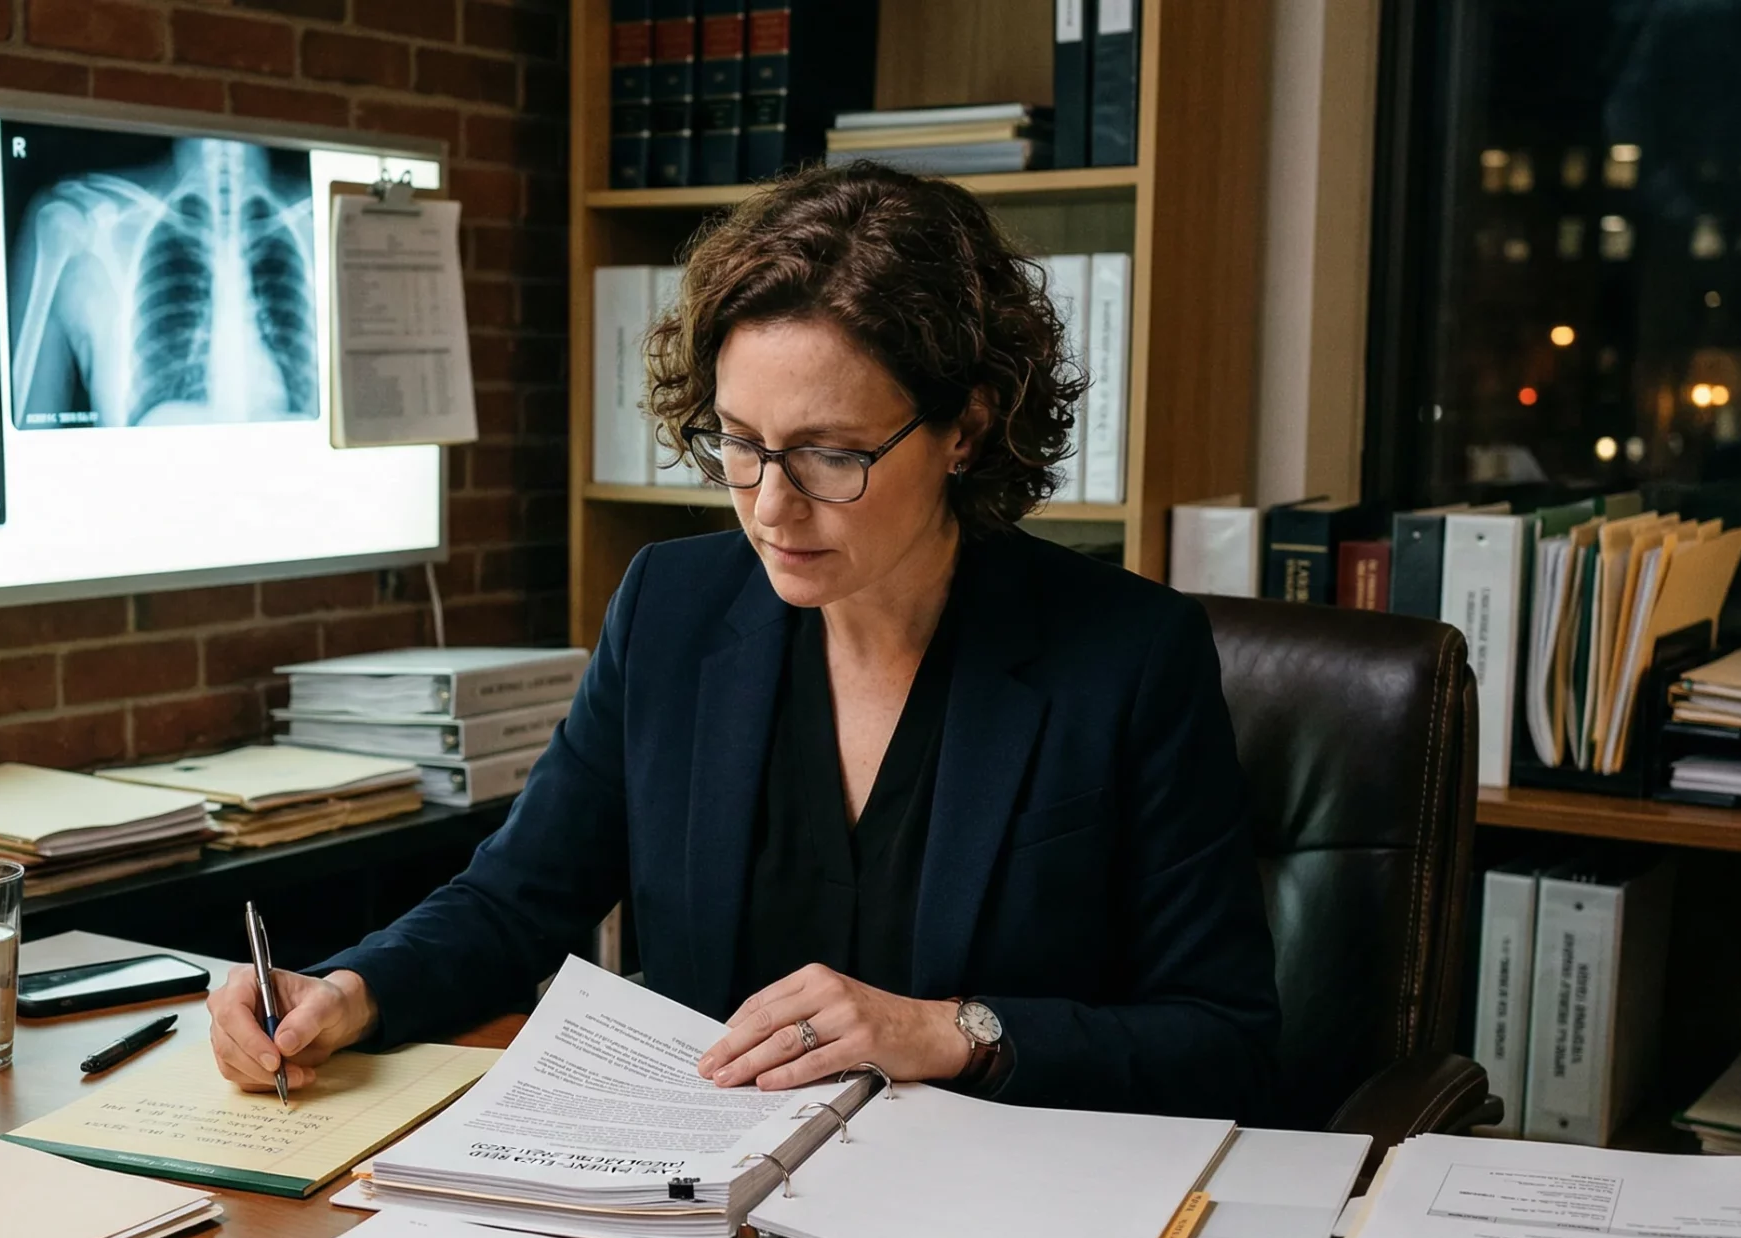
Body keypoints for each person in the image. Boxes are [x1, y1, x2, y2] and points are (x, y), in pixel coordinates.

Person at [210, 162, 1280, 1118]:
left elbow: (1221, 1038)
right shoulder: (672, 608)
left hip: (997, 1221)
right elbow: (515, 899)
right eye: (739, 443)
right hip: (703, 1196)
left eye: (829, 454)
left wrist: (951, 1031)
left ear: (967, 427)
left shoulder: (1127, 655)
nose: (770, 507)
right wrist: (349, 990)